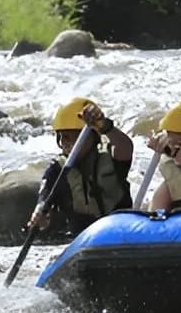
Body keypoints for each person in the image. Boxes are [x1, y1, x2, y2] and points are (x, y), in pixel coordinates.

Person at [29, 97, 133, 235]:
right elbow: (45, 195)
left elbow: (126, 147)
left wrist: (104, 126)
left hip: (119, 230)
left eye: (73, 137)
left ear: (92, 136)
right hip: (83, 236)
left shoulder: (110, 157)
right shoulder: (57, 169)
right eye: (63, 137)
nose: (67, 143)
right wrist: (40, 211)